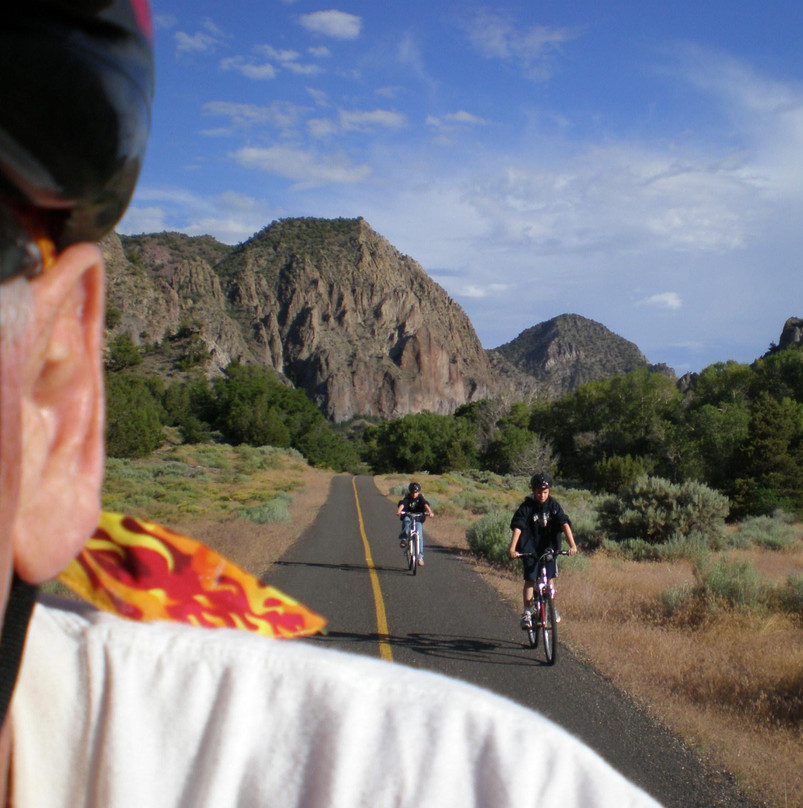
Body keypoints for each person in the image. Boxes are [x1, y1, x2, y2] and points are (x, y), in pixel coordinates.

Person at [0, 4, 663, 806]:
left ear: (53, 406)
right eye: (542, 496)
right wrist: (521, 538)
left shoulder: (497, 782)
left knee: (531, 573)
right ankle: (532, 609)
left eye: (547, 496)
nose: (544, 497)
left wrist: (557, 538)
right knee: (531, 582)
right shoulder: (520, 509)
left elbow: (551, 529)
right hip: (522, 559)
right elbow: (525, 529)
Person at [508, 473, 578, 630]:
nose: (542, 495)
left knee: (550, 577)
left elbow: (564, 524)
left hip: (549, 546)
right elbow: (518, 527)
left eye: (545, 492)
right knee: (530, 579)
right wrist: (513, 548)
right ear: (533, 491)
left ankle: (551, 607)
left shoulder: (553, 505)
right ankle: (527, 611)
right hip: (529, 546)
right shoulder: (527, 506)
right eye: (539, 492)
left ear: (549, 491)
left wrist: (572, 545)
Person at [396, 481, 434, 565]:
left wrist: (430, 512)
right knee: (406, 521)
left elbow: (425, 504)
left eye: (416, 492)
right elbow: (403, 504)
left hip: (418, 517)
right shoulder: (407, 498)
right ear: (410, 492)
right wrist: (399, 511)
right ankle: (404, 538)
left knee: (419, 536)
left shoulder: (420, 498)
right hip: (408, 515)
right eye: (412, 492)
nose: (414, 494)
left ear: (418, 492)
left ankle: (420, 557)